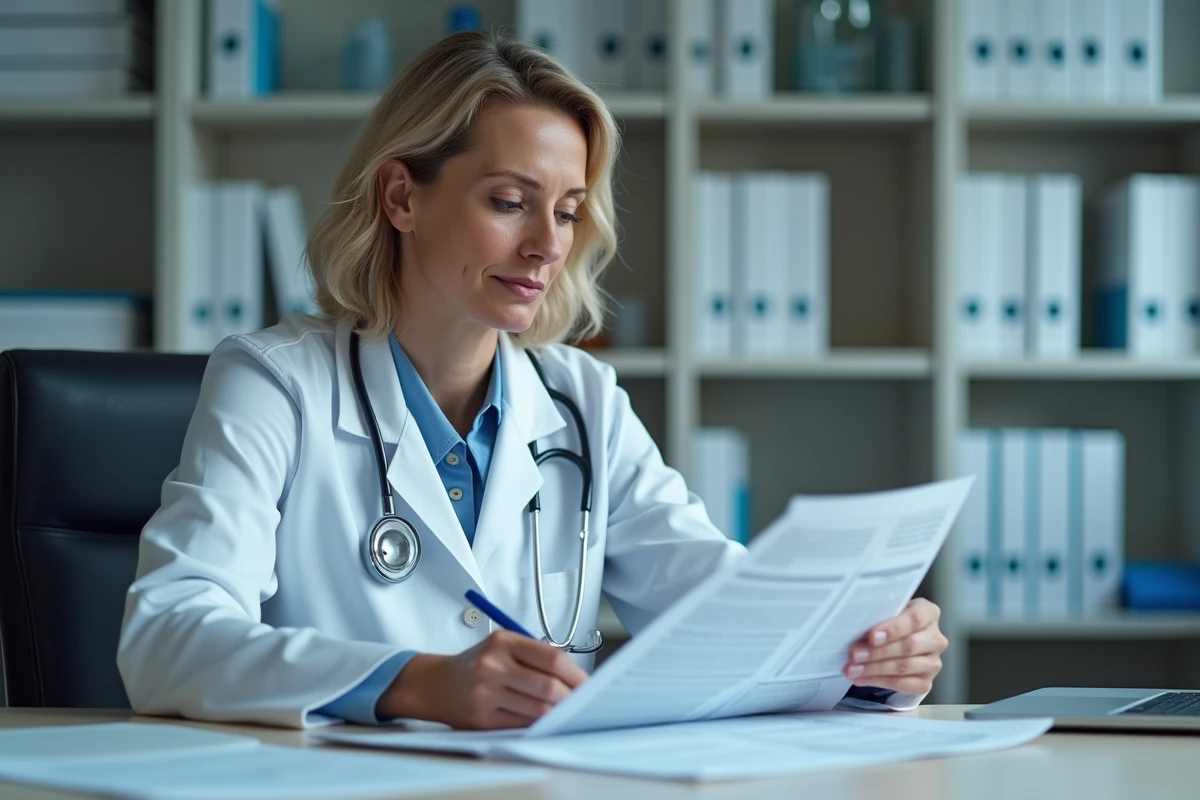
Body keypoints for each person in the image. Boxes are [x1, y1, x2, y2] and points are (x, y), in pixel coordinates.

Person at [117, 32, 948, 731]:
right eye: (511, 201)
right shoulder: (277, 383)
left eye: (568, 209)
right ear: (402, 197)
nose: (549, 246)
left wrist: (872, 655)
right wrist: (416, 682)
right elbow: (166, 637)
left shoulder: (582, 402)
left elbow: (723, 614)